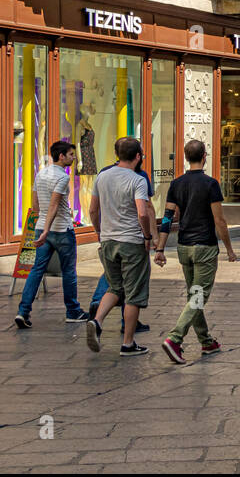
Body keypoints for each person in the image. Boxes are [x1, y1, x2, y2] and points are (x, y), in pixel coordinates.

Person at [160, 140, 238, 365]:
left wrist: (160, 247)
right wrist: (229, 250)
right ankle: (175, 338)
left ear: (186, 157)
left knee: (194, 294)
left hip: (184, 247)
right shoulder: (210, 184)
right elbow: (219, 220)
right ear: (204, 156)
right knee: (198, 295)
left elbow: (166, 218)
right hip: (204, 246)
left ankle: (206, 341)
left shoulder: (176, 184)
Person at [86, 137, 159, 357]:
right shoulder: (137, 180)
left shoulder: (102, 176)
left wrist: (100, 232)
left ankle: (97, 321)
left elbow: (92, 210)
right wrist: (147, 236)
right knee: (133, 294)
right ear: (138, 156)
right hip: (131, 242)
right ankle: (128, 343)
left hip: (108, 241)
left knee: (114, 287)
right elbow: (142, 212)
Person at [15, 140, 87, 328]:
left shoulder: (41, 174)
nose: (74, 157)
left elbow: (36, 202)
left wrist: (40, 225)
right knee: (69, 271)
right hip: (61, 229)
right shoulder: (62, 177)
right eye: (71, 155)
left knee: (37, 269)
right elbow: (54, 204)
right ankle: (73, 311)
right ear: (61, 156)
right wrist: (47, 229)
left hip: (41, 227)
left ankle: (23, 311)